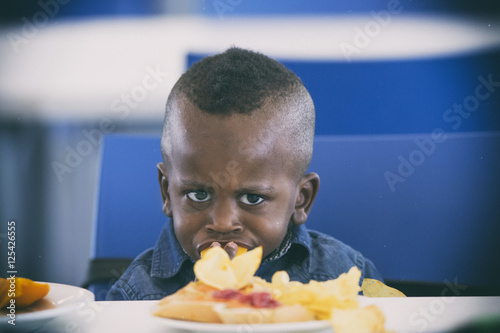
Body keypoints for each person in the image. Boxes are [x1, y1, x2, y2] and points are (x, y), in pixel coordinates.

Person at [107, 47, 382, 300]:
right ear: (167, 192)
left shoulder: (347, 279)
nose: (224, 223)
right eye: (198, 194)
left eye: (252, 198)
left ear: (302, 199)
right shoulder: (137, 295)